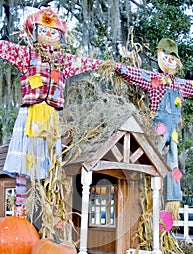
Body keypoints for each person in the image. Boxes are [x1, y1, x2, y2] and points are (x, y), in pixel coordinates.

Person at [0, 8, 102, 216]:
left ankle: (47, 209)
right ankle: (20, 207)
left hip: (52, 116)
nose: (49, 34)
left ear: (60, 36)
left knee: (49, 162)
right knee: (23, 162)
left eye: (53, 31)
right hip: (31, 113)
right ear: (35, 32)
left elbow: (86, 63)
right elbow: (5, 48)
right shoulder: (27, 55)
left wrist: (107, 66)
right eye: (44, 30)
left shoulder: (63, 61)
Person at [114, 38, 193, 216]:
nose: (170, 61)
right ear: (160, 57)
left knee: (174, 166)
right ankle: (144, 193)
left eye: (173, 59)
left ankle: (173, 200)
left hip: (172, 133)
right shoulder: (154, 79)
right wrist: (118, 68)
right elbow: (134, 74)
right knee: (152, 159)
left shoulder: (181, 85)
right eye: (166, 57)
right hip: (158, 127)